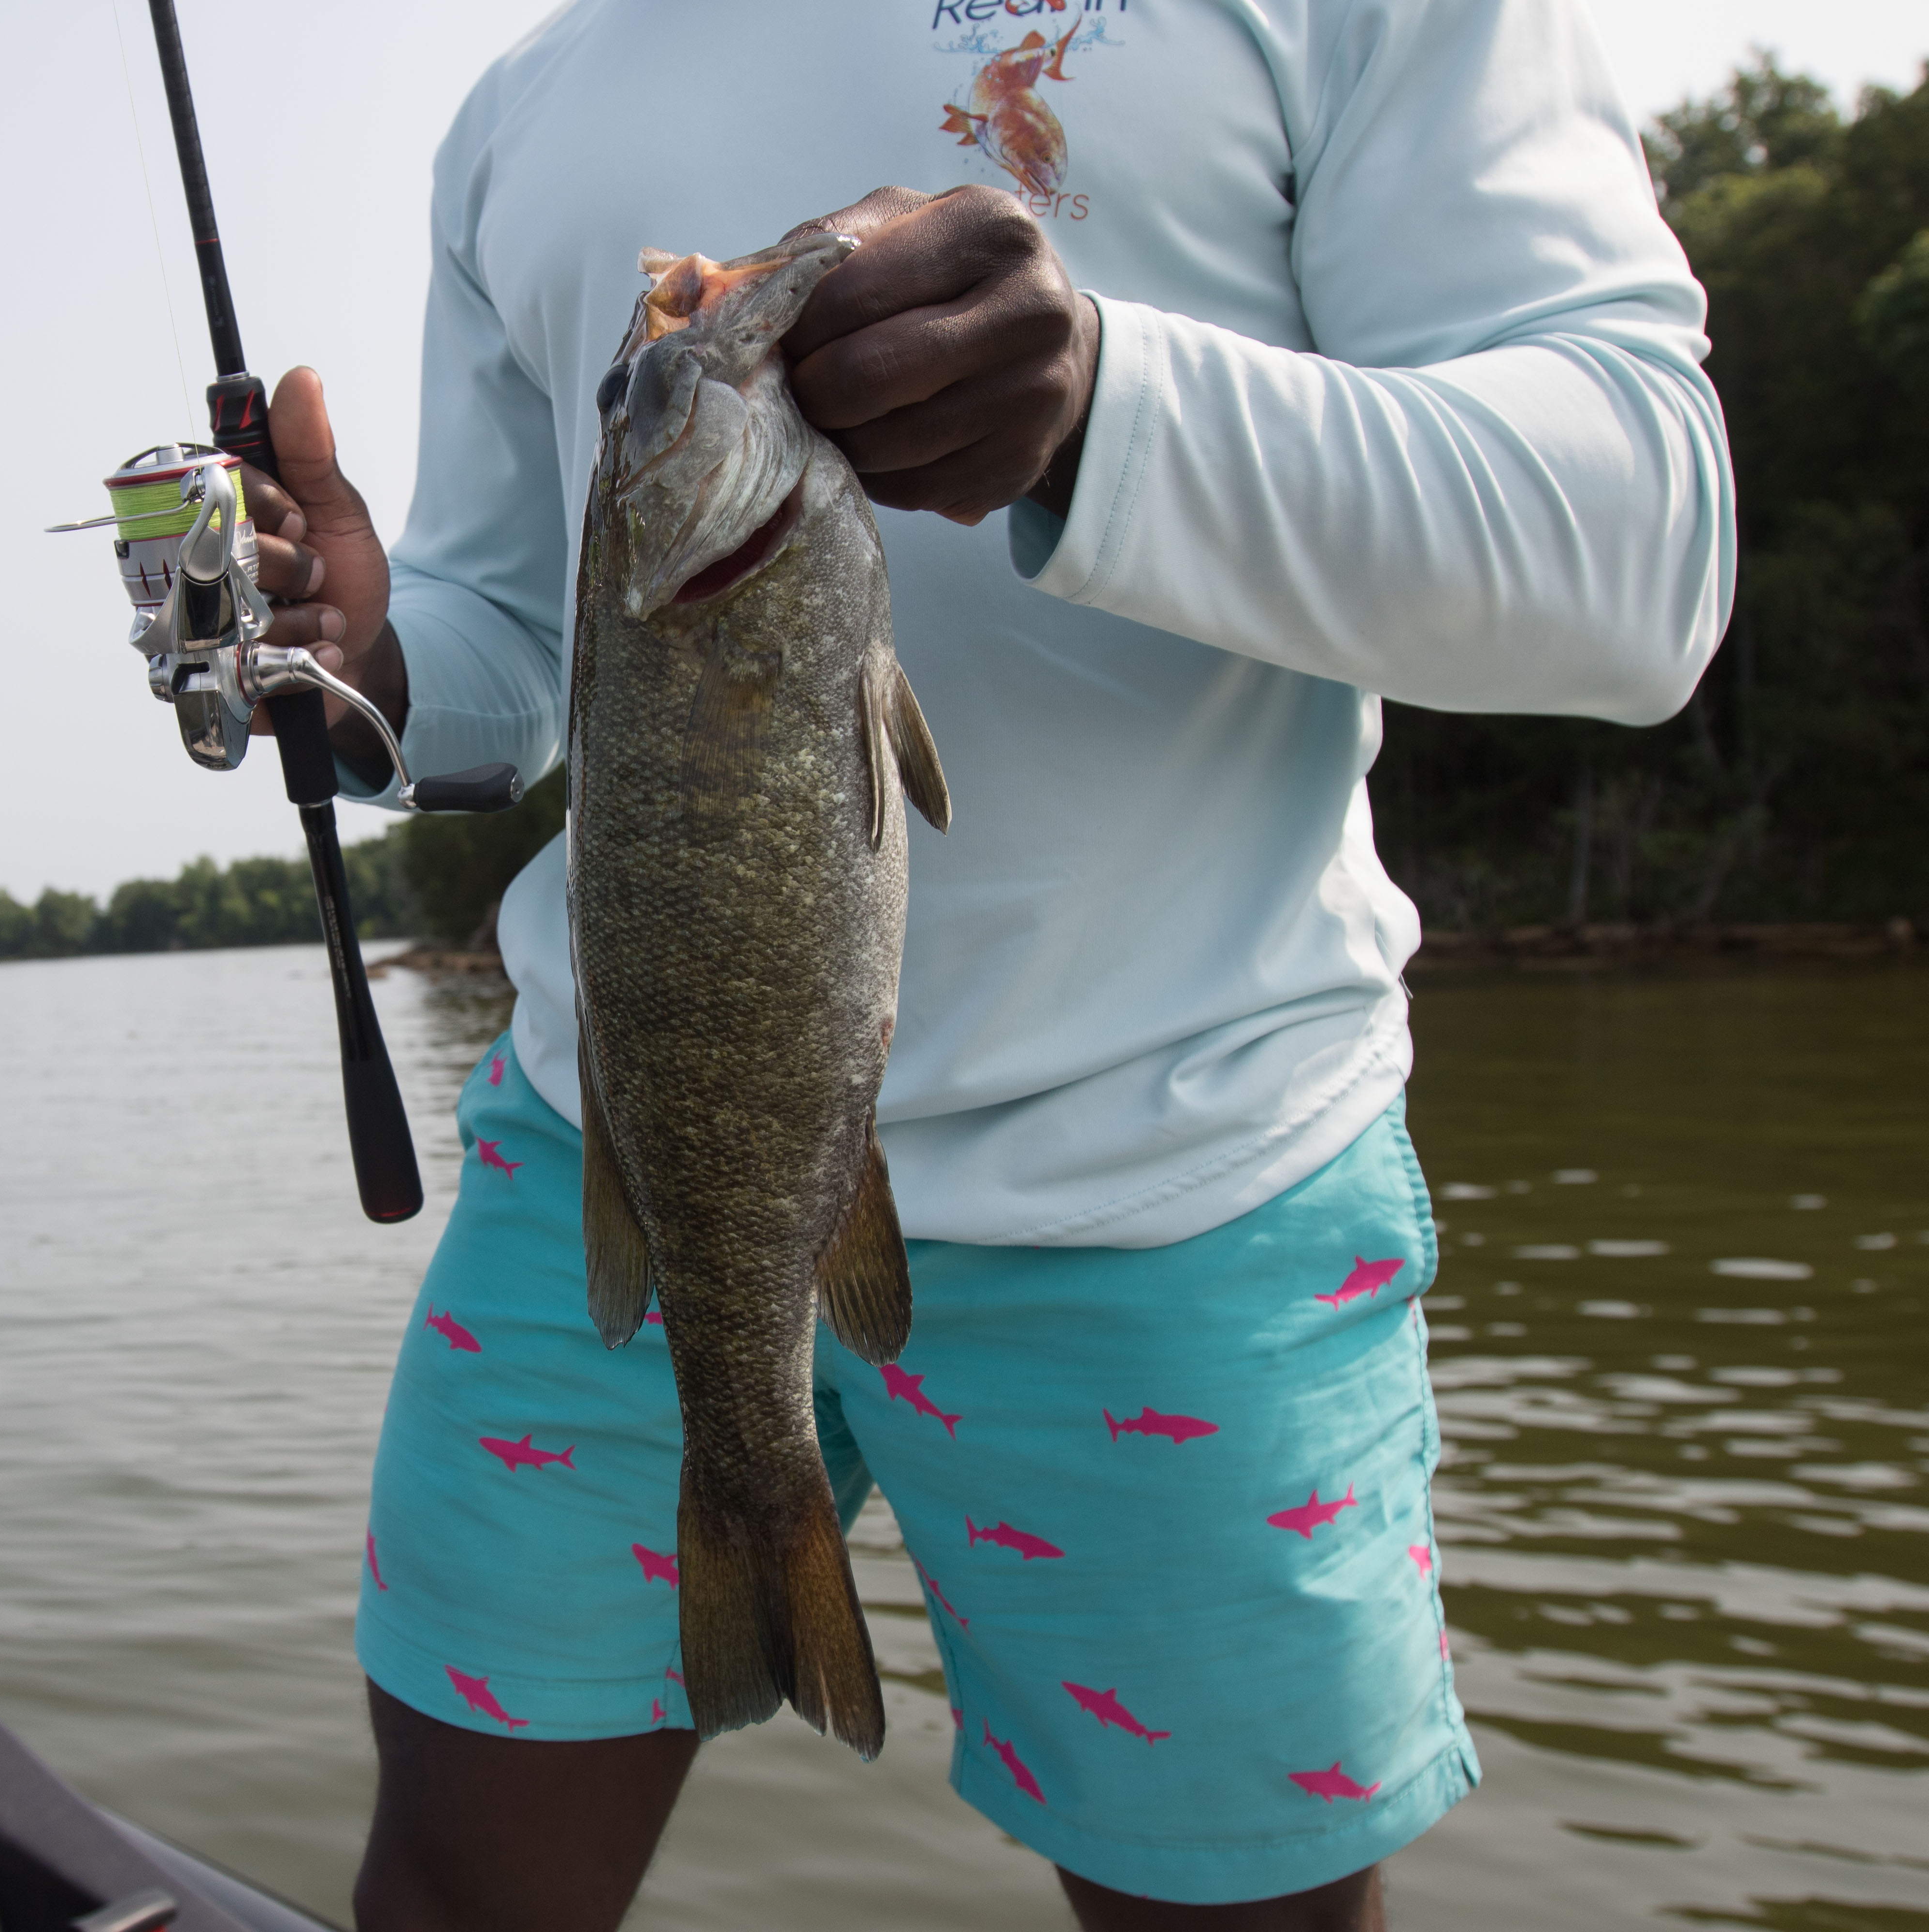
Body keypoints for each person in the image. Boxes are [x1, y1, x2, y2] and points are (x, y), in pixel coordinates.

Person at [231, 1, 1730, 1925]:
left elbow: (1646, 555)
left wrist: (1107, 399)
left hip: (1182, 1170)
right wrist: (373, 661)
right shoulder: (520, 106)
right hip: (621, 1142)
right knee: (452, 1890)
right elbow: (513, 653)